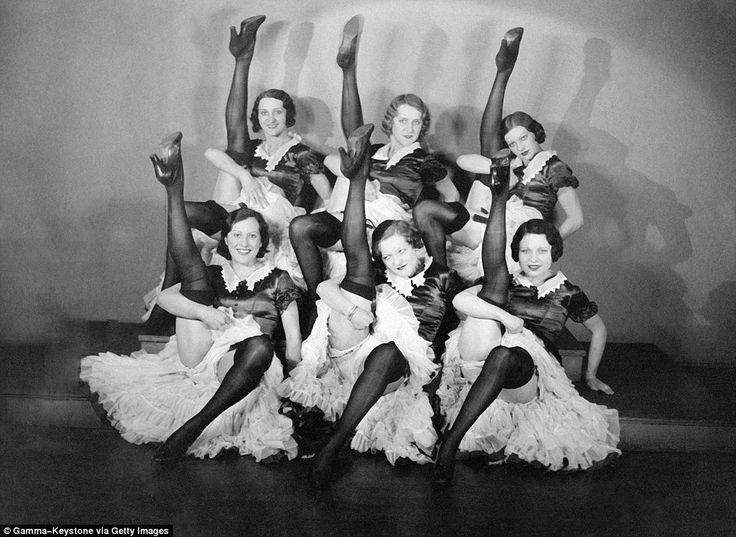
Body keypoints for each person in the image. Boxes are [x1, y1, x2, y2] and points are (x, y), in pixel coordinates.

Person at [81, 132, 302, 462]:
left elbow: (294, 341)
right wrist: (205, 315)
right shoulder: (216, 273)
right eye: (237, 235)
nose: (244, 243)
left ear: (262, 242)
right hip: (203, 350)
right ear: (225, 239)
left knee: (261, 346)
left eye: (252, 236)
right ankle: (173, 188)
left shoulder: (280, 279)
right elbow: (168, 299)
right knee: (193, 278)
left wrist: (293, 387)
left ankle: (192, 428)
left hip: (249, 364)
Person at [280, 124, 460, 488]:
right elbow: (330, 286)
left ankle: (334, 445)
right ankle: (358, 179)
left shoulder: (441, 277)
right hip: (355, 350)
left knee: (390, 352)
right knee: (356, 265)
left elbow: (459, 320)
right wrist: (351, 311)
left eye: (401, 252)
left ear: (420, 247)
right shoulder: (379, 278)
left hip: (399, 368)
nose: (394, 261)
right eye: (387, 255)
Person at [432, 151, 617, 485]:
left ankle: (450, 445)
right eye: (526, 251)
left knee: (505, 353)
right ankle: (500, 195)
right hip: (486, 357)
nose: (533, 259)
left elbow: (598, 329)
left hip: (528, 373)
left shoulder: (567, 291)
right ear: (516, 254)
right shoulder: (507, 283)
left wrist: (590, 376)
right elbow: (460, 299)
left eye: (542, 251)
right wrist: (505, 316)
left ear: (554, 253)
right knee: (491, 298)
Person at [143, 16, 329, 333]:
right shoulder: (252, 149)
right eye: (263, 112)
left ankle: (168, 311)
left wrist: (308, 221)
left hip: (274, 225)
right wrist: (245, 175)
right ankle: (167, 303)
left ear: (289, 116)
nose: (270, 119)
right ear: (256, 117)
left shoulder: (302, 153)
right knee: (181, 212)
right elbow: (222, 142)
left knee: (232, 175)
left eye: (278, 112)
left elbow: (327, 195)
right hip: (238, 214)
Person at [289, 15, 459, 315]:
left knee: (356, 153)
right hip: (349, 210)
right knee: (301, 226)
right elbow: (337, 160)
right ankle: (317, 302)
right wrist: (362, 181)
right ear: (391, 121)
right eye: (403, 120)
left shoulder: (425, 159)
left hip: (384, 223)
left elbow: (453, 197)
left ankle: (348, 69)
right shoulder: (376, 151)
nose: (410, 128)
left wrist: (422, 219)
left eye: (417, 122)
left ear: (423, 127)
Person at [414, 28, 583, 278]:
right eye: (513, 143)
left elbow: (576, 219)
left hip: (517, 234)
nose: (520, 147)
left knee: (491, 166)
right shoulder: (514, 162)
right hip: (491, 220)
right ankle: (440, 277)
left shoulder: (554, 167)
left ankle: (504, 71)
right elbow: (462, 161)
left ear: (535, 133)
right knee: (428, 207)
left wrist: (543, 245)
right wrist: (499, 167)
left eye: (523, 138)